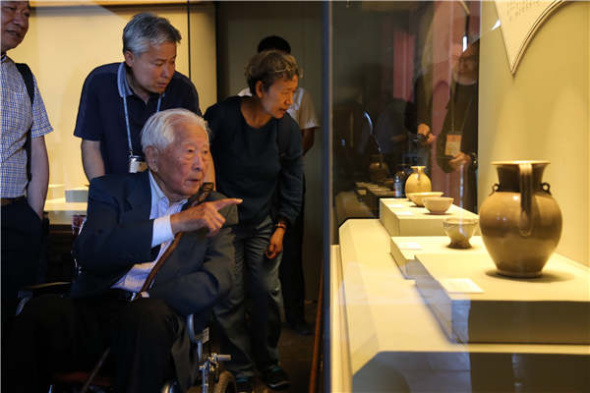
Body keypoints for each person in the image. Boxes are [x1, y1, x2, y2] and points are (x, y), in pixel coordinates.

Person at [6, 109, 242, 392]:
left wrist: (148, 296)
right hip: (100, 311)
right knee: (39, 313)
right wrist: (174, 223)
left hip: (161, 319)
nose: (200, 164)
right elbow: (92, 251)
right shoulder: (112, 191)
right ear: (153, 157)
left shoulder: (215, 208)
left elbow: (218, 278)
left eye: (204, 153)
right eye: (189, 151)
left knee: (144, 317)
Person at [205, 50, 303, 392]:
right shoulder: (221, 116)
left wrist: (282, 225)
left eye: (293, 93)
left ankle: (269, 362)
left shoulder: (286, 129)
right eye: (284, 93)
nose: (290, 101)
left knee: (266, 292)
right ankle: (241, 367)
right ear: (260, 89)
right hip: (224, 223)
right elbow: (199, 157)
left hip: (263, 222)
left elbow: (293, 179)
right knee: (229, 295)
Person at [238, 35, 318, 335]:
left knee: (291, 251)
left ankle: (295, 316)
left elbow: (307, 135)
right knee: (252, 255)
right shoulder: (243, 97)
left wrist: (285, 161)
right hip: (255, 188)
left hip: (288, 179)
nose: (287, 98)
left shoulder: (300, 95)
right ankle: (251, 320)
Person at [74, 12, 201, 181]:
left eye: (172, 61)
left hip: (169, 194)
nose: (167, 72)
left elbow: (197, 148)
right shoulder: (99, 83)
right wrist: (103, 192)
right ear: (130, 58)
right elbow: (91, 146)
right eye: (158, 63)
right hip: (116, 188)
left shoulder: (182, 89)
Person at [1, 0, 52, 359]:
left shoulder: (24, 76)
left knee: (10, 328)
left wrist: (33, 217)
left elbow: (38, 149)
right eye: (10, 9)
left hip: (14, 220)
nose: (20, 20)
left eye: (26, 14)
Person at [436, 40, 479, 212]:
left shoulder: (487, 92)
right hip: (463, 179)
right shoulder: (459, 94)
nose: (462, 65)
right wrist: (447, 160)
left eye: (469, 59)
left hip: (481, 179)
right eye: (460, 60)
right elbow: (445, 138)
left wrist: (473, 158)